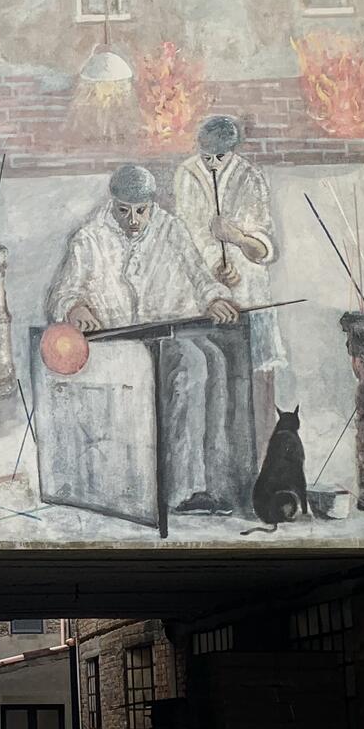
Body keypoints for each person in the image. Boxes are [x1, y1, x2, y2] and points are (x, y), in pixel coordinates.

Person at [48, 163, 246, 516]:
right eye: (124, 211)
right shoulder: (89, 238)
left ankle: (206, 484)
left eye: (141, 211)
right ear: (113, 204)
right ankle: (171, 490)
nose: (133, 220)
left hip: (167, 337)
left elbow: (200, 276)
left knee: (211, 360)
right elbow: (64, 293)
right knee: (192, 364)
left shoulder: (171, 229)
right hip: (118, 346)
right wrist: (76, 308)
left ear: (151, 205)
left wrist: (215, 298)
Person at [173, 115, 287, 432]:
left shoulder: (250, 177)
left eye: (219, 157)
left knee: (258, 377)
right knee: (213, 378)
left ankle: (264, 449)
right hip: (205, 293)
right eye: (206, 156)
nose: (211, 163)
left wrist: (237, 237)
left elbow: (266, 248)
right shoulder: (187, 174)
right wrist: (215, 267)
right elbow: (189, 234)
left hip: (249, 290)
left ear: (232, 151)